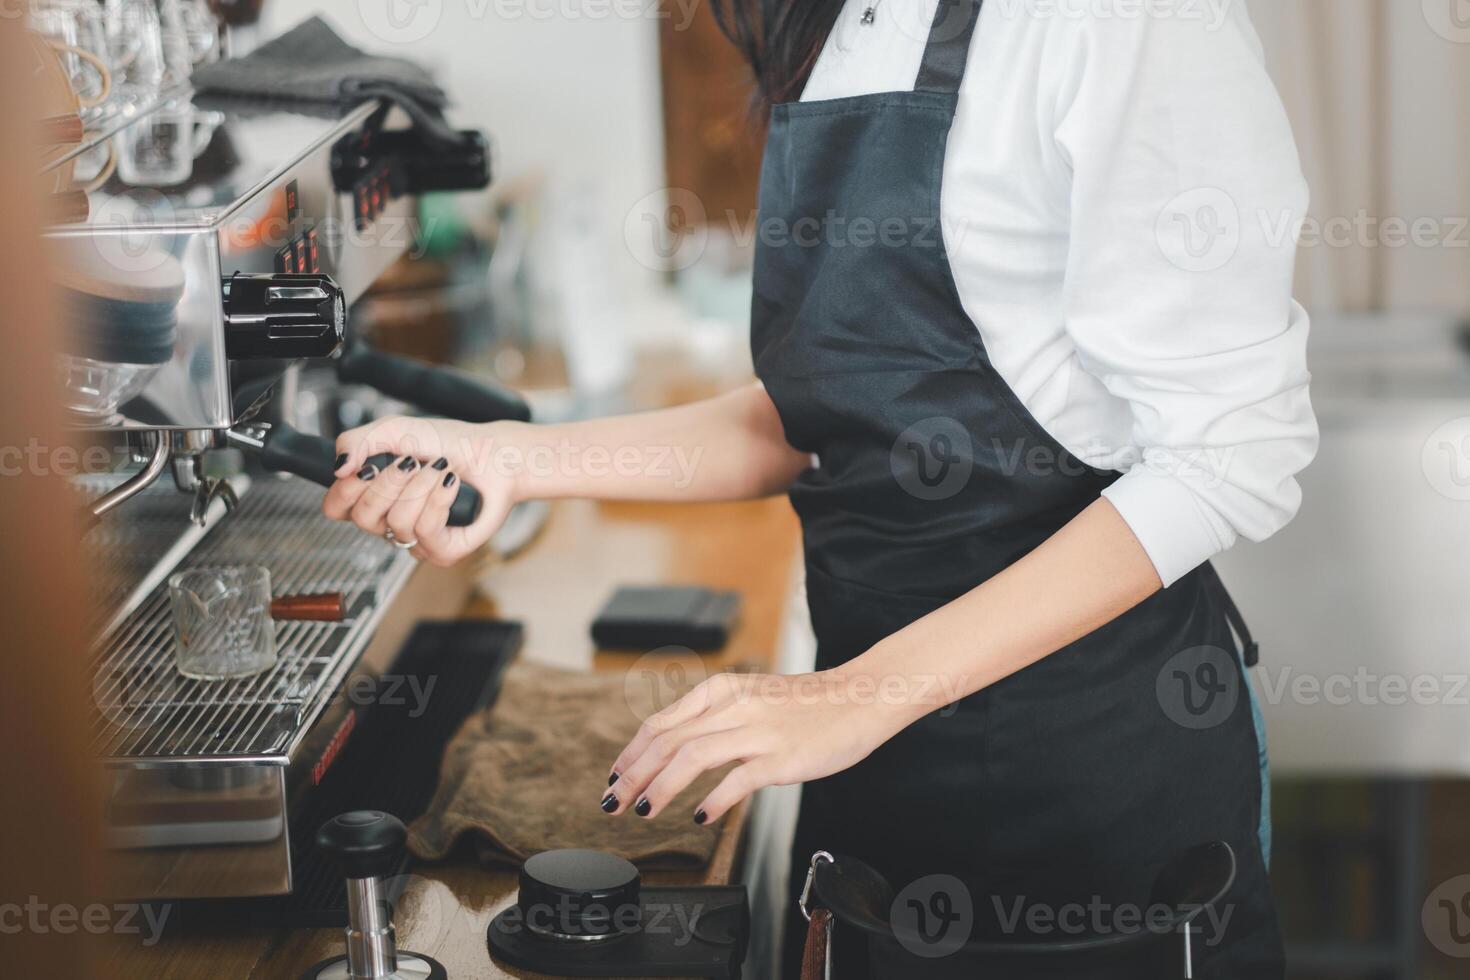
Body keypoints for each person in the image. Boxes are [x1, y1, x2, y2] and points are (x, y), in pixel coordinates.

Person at [323, 0, 1316, 974]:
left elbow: (1228, 453)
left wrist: (860, 692)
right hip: (868, 778)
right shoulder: (844, 27)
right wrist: (515, 456)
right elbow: (824, 410)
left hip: (1089, 790)